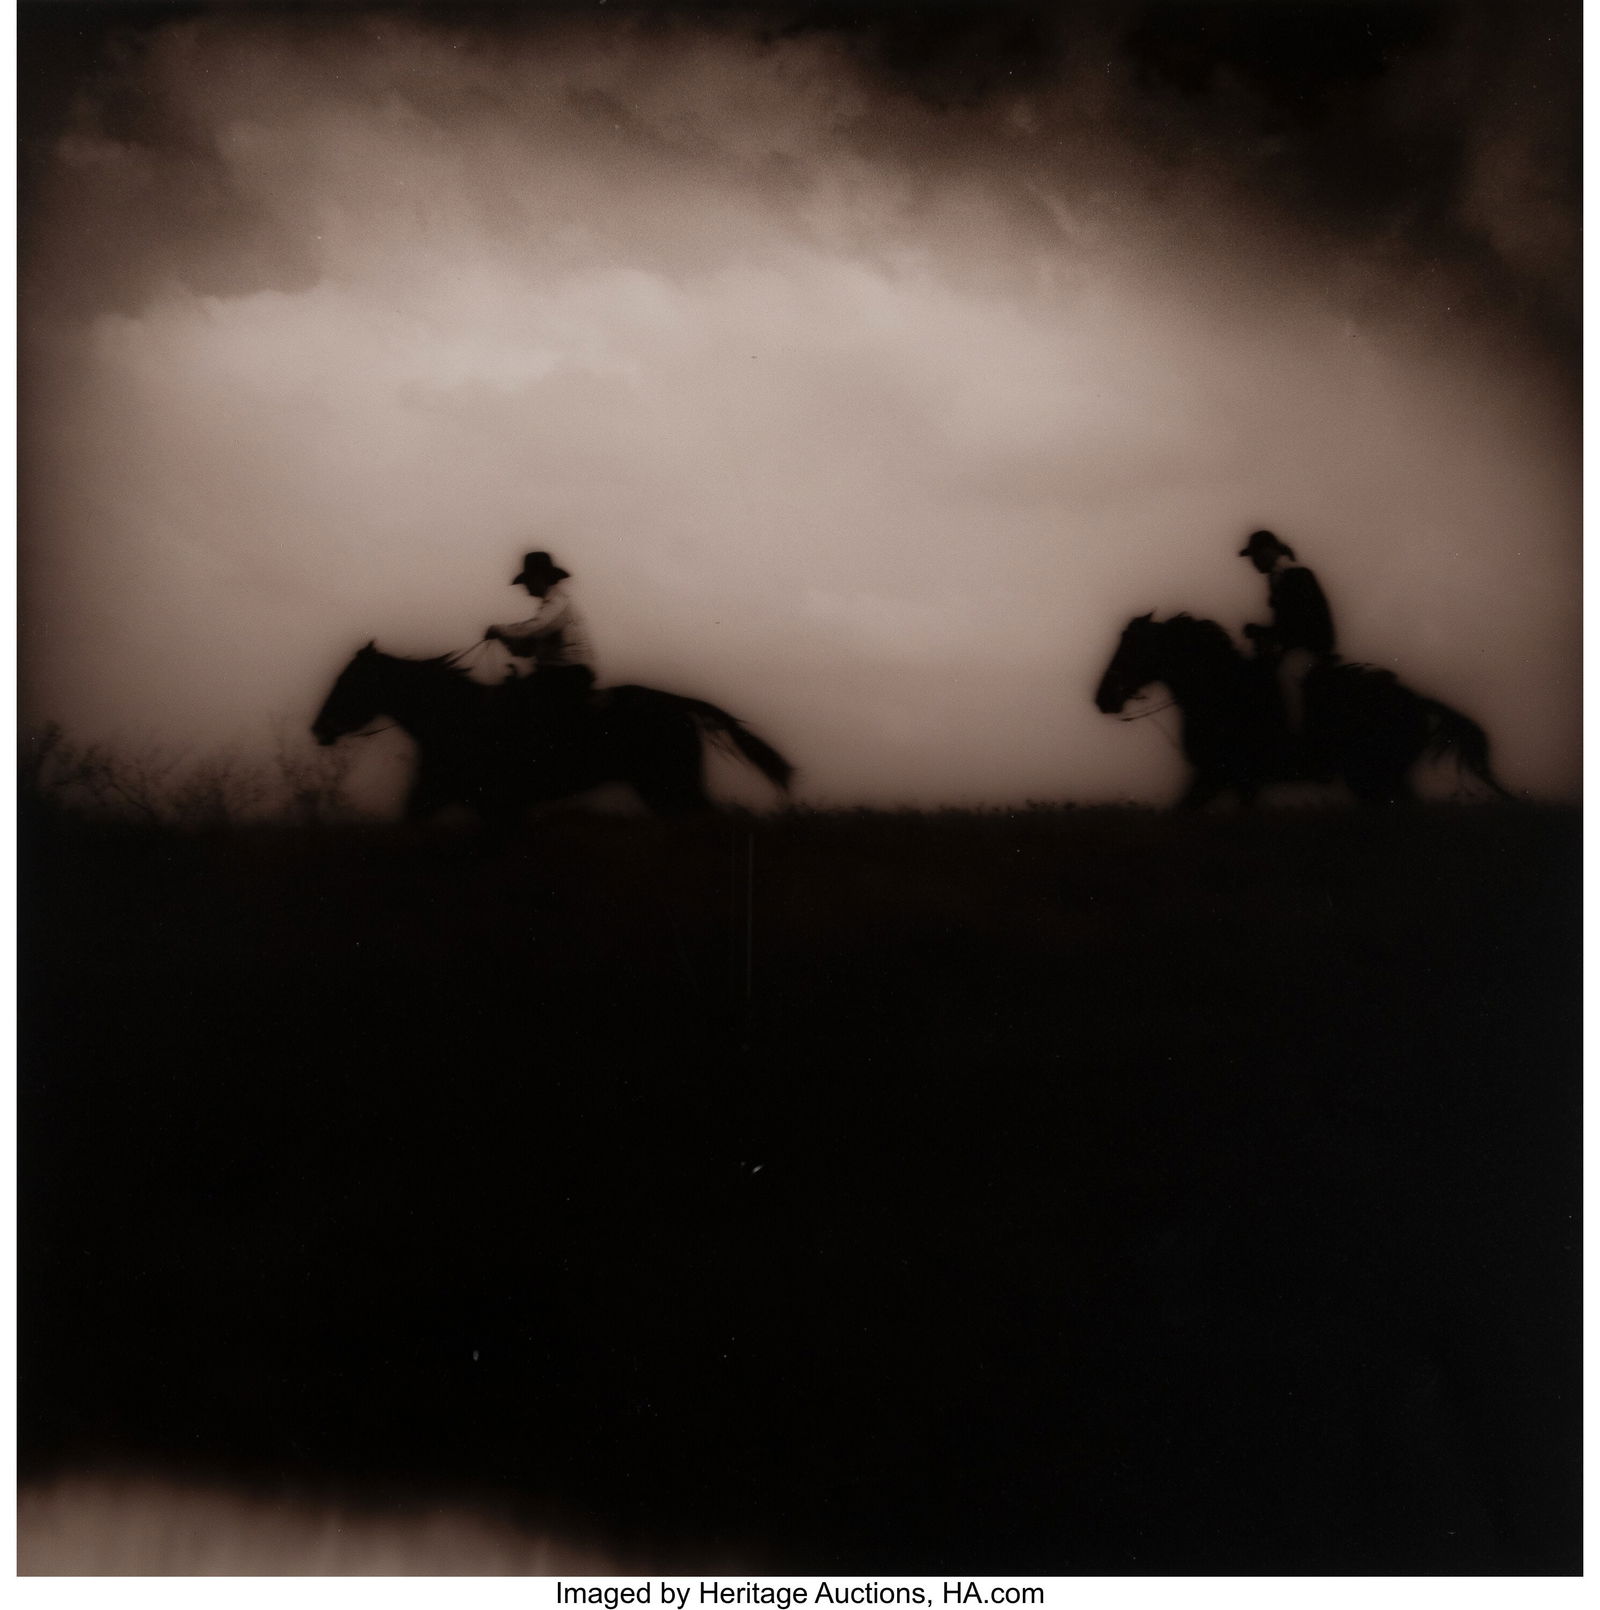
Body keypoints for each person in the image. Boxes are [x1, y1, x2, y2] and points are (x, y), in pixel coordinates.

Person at [1239, 528, 1337, 766]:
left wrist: (1265, 633)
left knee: (1286, 674)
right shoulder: (1278, 576)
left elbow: (1299, 622)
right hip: (1296, 645)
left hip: (1313, 646)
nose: (1252, 562)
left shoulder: (1296, 575)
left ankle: (1299, 737)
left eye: (1255, 555)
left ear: (1269, 551)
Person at [485, 550, 596, 743]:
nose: (525, 586)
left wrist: (500, 629)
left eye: (527, 580)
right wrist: (503, 638)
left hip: (568, 673)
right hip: (556, 673)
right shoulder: (550, 606)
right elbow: (526, 649)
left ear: (538, 578)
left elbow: (535, 628)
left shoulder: (558, 603)